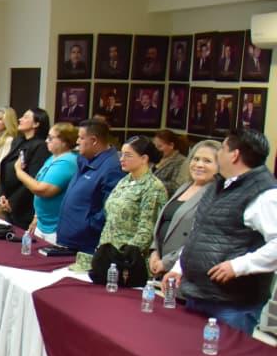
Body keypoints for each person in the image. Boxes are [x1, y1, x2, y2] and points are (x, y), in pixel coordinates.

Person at [166, 130, 277, 334]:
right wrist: (178, 268)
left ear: (234, 155)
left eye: (222, 149)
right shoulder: (217, 186)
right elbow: (200, 233)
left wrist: (239, 266)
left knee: (225, 355)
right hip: (198, 293)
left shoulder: (265, 194)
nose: (218, 154)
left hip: (233, 304)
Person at [73, 136, 167, 272]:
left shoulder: (153, 187)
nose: (122, 159)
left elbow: (147, 231)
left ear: (144, 159)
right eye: (121, 154)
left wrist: (123, 258)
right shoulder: (125, 181)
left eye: (128, 155)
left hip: (128, 262)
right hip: (107, 255)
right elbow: (110, 219)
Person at [148, 140, 220, 279]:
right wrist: (154, 252)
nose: (199, 164)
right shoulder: (184, 187)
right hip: (160, 267)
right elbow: (164, 223)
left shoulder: (215, 195)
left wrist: (167, 262)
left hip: (184, 271)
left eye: (207, 161)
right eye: (196, 159)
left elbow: (200, 239)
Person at [55, 118, 126, 257]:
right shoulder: (84, 159)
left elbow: (110, 208)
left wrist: (87, 226)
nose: (77, 142)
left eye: (81, 138)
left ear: (93, 140)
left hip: (87, 244)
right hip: (70, 238)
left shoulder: (113, 167)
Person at [18, 124, 79, 243]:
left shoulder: (67, 161)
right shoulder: (53, 157)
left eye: (51, 138)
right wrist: (36, 216)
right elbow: (39, 181)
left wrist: (19, 171)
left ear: (64, 141)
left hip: (55, 227)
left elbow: (41, 189)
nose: (46, 141)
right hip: (42, 223)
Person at [0, 108, 51, 228]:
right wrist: (2, 194)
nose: (20, 119)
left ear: (36, 124)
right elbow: (5, 167)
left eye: (26, 117)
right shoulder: (18, 141)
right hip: (8, 199)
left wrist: (13, 201)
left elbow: (33, 178)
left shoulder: (41, 146)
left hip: (24, 206)